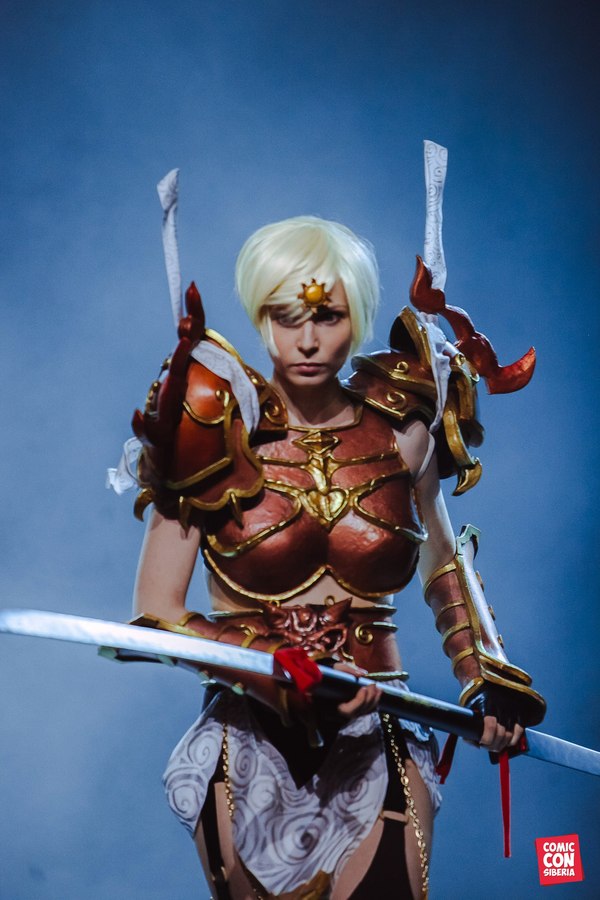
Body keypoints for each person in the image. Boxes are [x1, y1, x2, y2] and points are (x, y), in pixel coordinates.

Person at [128, 215, 545, 899]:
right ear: (259, 315)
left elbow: (445, 563)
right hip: (251, 731)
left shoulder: (404, 431)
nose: (307, 339)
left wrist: (486, 676)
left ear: (359, 317)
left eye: (328, 316)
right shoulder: (211, 429)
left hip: (378, 726)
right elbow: (155, 612)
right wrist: (271, 666)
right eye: (286, 316)